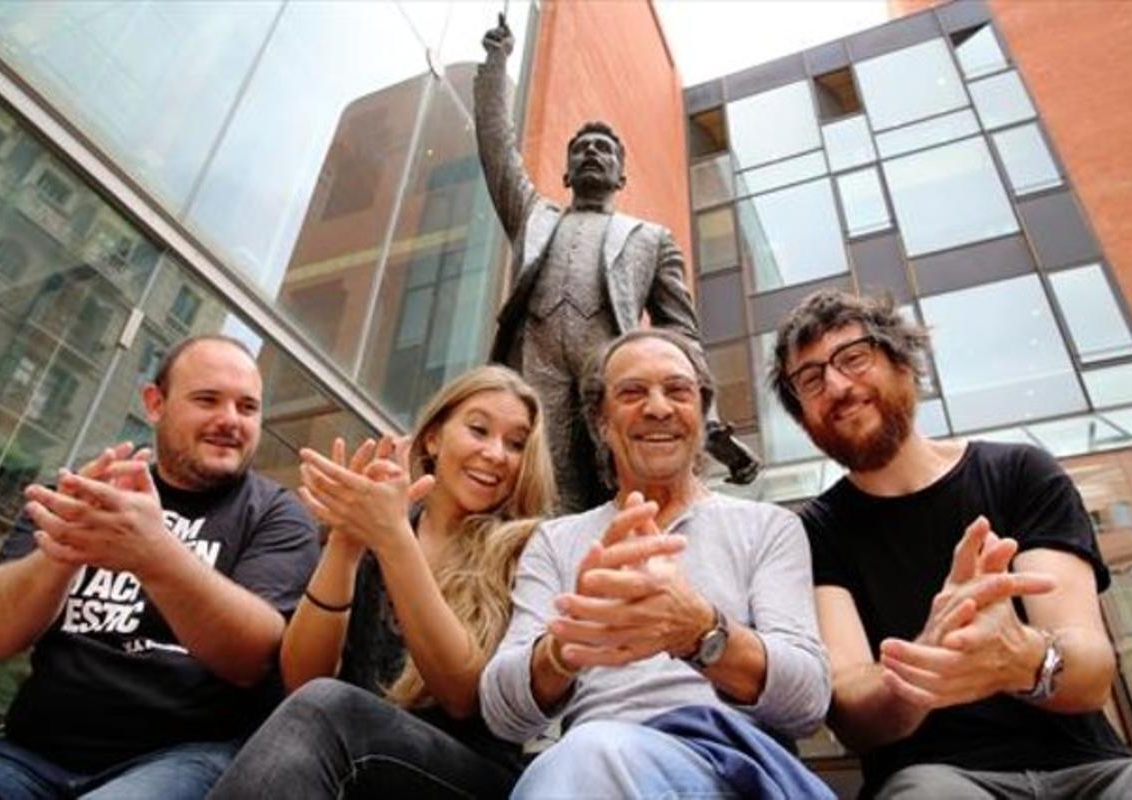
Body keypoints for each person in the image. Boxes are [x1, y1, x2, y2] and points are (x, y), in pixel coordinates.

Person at [771, 289, 1132, 798]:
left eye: (854, 358)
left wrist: (1020, 657)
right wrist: (928, 660)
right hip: (936, 778)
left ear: (903, 365)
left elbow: (1091, 669)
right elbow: (851, 710)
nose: (836, 385)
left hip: (1094, 770)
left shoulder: (1022, 474)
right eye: (810, 379)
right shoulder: (816, 531)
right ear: (802, 416)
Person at [480, 329, 833, 799]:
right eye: (631, 393)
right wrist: (567, 642)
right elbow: (502, 714)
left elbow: (808, 700)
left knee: (585, 758)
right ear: (601, 422)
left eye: (678, 390)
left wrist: (702, 633)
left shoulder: (769, 527)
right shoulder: (555, 541)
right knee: (586, 757)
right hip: (592, 765)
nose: (659, 408)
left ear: (701, 414)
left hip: (733, 767)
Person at [0, 335, 320, 799]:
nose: (230, 421)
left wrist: (156, 552)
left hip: (186, 758)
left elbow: (254, 658)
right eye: (207, 400)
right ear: (155, 404)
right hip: (29, 753)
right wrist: (61, 552)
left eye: (247, 407)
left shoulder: (278, 514)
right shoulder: (87, 492)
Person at [208, 366, 556, 799]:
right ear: (433, 438)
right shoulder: (382, 533)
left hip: (467, 776)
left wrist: (392, 540)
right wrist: (346, 543)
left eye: (517, 443)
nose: (496, 453)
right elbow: (302, 678)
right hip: (356, 759)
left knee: (330, 708)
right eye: (479, 430)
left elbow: (463, 696)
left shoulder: (530, 550)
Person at [475, 17, 755, 512]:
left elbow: (680, 333)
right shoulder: (533, 217)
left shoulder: (652, 239)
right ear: (565, 171)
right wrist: (497, 64)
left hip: (609, 374)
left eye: (603, 149)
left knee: (615, 488)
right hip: (535, 366)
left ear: (621, 174)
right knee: (533, 495)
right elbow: (498, 152)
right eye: (580, 148)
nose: (591, 153)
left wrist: (708, 420)